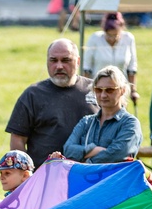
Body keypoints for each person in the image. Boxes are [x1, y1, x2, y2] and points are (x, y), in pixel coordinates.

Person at [6, 39, 97, 168]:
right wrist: (27, 176)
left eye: (65, 60)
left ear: (78, 61)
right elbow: (18, 140)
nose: (59, 66)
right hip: (45, 180)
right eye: (53, 60)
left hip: (90, 178)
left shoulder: (96, 91)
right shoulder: (32, 95)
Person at [63, 66, 142, 163]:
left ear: (122, 90)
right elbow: (67, 150)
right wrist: (93, 149)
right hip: (85, 178)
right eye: (98, 90)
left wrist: (84, 162)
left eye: (110, 90)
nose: (103, 95)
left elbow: (115, 155)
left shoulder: (130, 124)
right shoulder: (86, 122)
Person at [82, 13, 139, 105]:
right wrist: (84, 91)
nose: (112, 39)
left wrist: (133, 90)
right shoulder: (95, 38)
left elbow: (132, 66)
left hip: (119, 89)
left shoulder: (128, 38)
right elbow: (87, 66)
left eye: (115, 35)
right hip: (99, 90)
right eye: (109, 35)